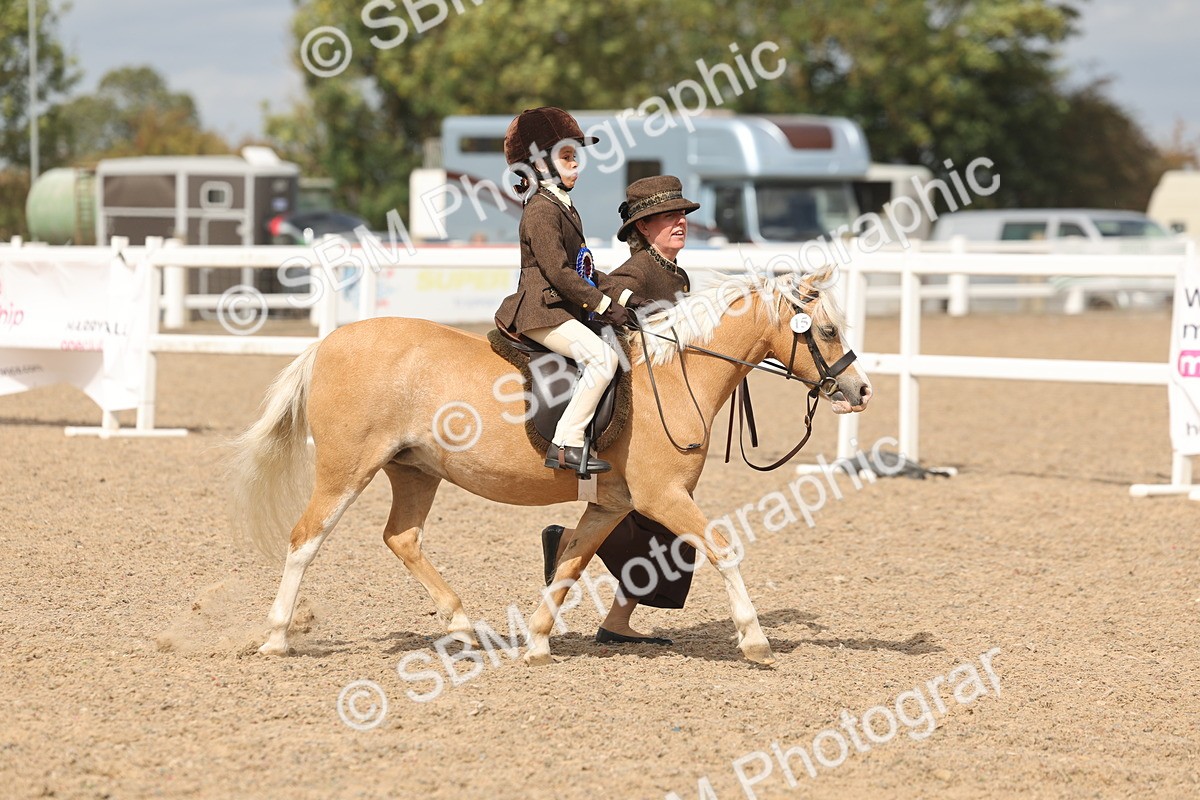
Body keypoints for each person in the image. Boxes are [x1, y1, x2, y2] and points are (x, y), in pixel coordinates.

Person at [541, 175, 701, 645]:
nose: (680, 223)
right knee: (650, 519)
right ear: (645, 226)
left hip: (664, 403)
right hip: (639, 406)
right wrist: (634, 304)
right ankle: (569, 541)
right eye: (670, 217)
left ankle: (615, 621)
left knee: (661, 530)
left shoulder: (677, 273)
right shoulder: (640, 269)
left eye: (683, 216)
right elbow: (610, 297)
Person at [494, 107, 639, 474]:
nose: (577, 165)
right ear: (541, 165)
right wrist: (604, 305)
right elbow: (559, 273)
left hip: (558, 308)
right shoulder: (542, 209)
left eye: (576, 157)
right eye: (568, 157)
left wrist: (625, 298)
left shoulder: (563, 205)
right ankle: (566, 443)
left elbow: (584, 268)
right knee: (602, 359)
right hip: (541, 311)